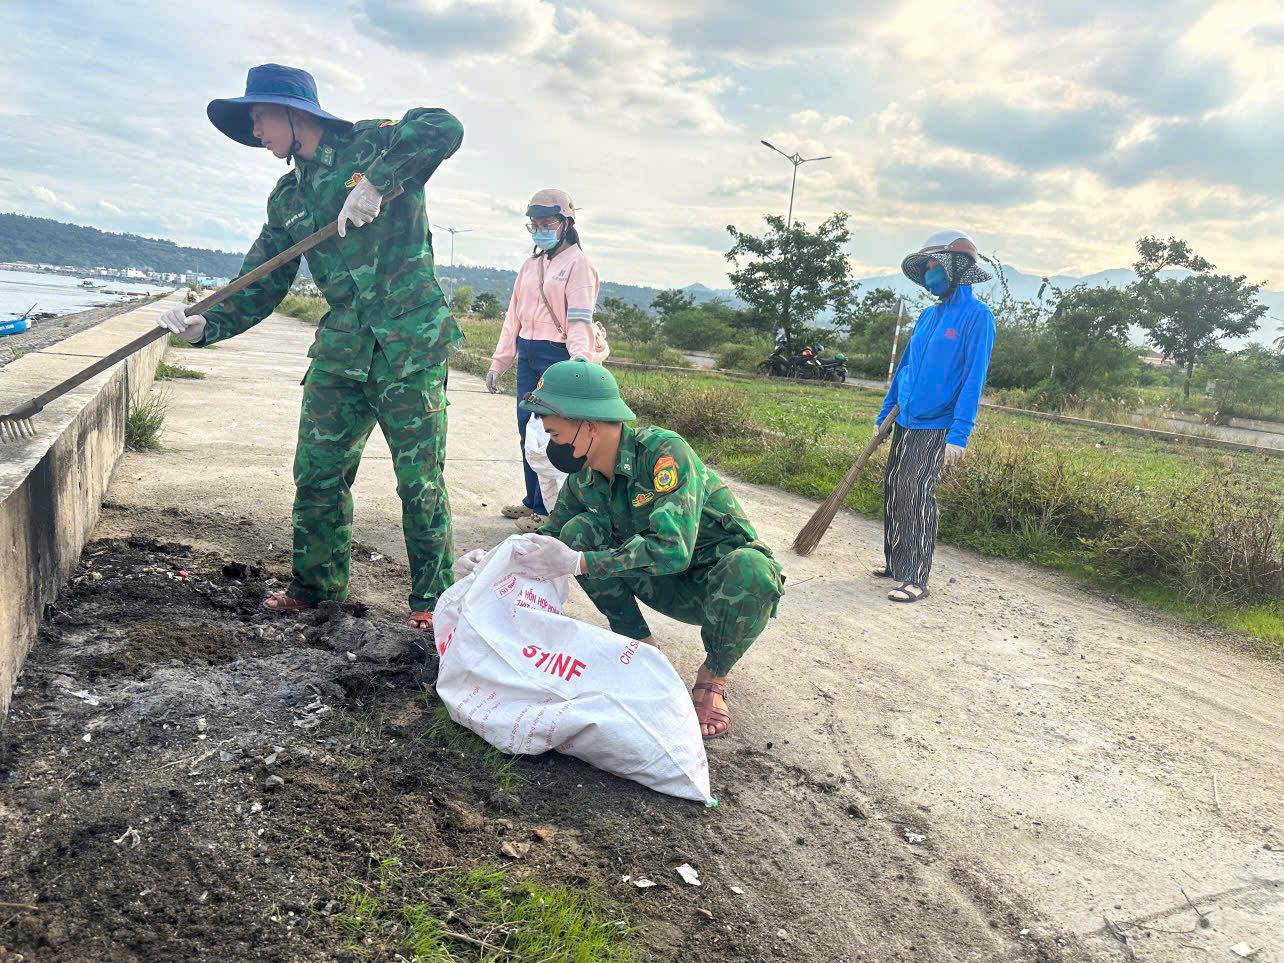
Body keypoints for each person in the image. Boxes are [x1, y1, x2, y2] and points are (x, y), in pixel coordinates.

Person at [154, 63, 464, 632]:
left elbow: (442, 125)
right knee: (318, 473)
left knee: (419, 482)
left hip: (411, 342)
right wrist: (205, 323)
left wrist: (377, 182)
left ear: (293, 113)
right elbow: (262, 280)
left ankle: (432, 602)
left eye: (259, 115)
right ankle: (316, 587)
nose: (254, 129)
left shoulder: (372, 142)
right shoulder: (288, 197)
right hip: (343, 347)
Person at [459, 359, 785, 738]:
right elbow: (551, 536)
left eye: (555, 433)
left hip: (714, 589)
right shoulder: (584, 479)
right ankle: (644, 653)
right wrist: (494, 559)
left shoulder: (664, 454)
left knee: (752, 568)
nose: (552, 445)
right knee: (578, 532)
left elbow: (673, 550)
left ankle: (713, 677)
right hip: (655, 581)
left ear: (589, 424)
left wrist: (579, 562)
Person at [874, 229, 995, 603]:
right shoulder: (928, 317)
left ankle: (916, 577)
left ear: (956, 267)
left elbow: (973, 380)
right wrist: (885, 413)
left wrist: (960, 434)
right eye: (926, 268)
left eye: (934, 266)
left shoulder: (978, 318)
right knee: (895, 486)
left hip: (938, 424)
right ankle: (896, 563)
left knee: (917, 492)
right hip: (906, 419)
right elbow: (906, 368)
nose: (929, 275)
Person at [485, 190, 600, 533]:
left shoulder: (579, 266)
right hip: (528, 353)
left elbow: (580, 320)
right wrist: (499, 362)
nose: (540, 230)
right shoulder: (532, 265)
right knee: (527, 429)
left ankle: (552, 510)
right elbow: (513, 317)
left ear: (566, 224)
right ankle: (532, 501)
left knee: (551, 434)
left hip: (557, 356)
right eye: (534, 224)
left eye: (547, 223)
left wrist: (580, 363)